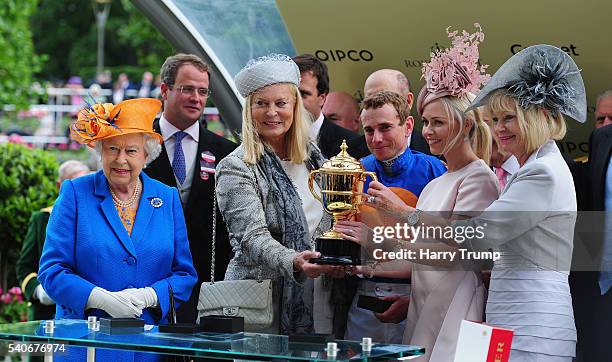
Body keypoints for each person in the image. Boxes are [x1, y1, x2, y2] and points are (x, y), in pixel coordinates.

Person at [368, 44, 586, 361]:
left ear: (538, 116)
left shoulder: (542, 173)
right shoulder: (531, 168)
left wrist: (406, 215)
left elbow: (475, 237)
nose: (499, 128)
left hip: (532, 329)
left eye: (508, 118)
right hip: (510, 323)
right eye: (495, 118)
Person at [38, 98, 197, 360]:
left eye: (131, 151)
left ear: (147, 155)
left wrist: (150, 296)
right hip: (85, 345)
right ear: (100, 151)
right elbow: (52, 271)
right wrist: (98, 298)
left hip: (148, 348)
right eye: (112, 148)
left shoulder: (166, 197)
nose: (121, 159)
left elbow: (184, 274)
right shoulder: (75, 193)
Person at [216, 54, 344, 335]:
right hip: (259, 311)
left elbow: (331, 225)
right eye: (261, 103)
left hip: (318, 302)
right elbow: (252, 238)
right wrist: (295, 261)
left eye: (281, 103)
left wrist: (337, 258)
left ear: (295, 107)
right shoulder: (236, 167)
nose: (271, 112)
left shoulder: (316, 160)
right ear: (249, 110)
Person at [339, 91, 446, 344]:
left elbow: (443, 245)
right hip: (363, 300)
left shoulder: (436, 170)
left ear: (408, 126)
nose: (376, 139)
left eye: (385, 127)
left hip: (418, 297)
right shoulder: (354, 171)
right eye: (369, 130)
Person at [144, 53, 237, 323]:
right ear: (165, 89)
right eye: (187, 89)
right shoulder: (136, 144)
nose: (196, 98)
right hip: (146, 287)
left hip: (206, 289)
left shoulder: (226, 153)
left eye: (203, 91)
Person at [16, 160, 90, 320]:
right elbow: (24, 266)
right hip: (46, 314)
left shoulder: (95, 222)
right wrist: (38, 291)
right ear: (59, 185)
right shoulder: (42, 219)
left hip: (84, 312)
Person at [292, 54, 367, 159]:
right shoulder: (269, 141)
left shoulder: (354, 145)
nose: (295, 101)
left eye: (303, 94)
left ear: (322, 97)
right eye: (290, 94)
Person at [363, 69, 431, 155]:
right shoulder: (349, 154)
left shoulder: (437, 153)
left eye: (387, 98)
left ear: (408, 101)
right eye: (370, 99)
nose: (377, 105)